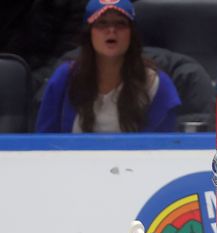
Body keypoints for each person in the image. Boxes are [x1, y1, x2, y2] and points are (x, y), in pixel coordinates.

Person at [35, 0, 181, 133]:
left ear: (132, 34)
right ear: (89, 34)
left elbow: (163, 147)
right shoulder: (65, 78)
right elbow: (44, 143)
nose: (111, 30)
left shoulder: (155, 83)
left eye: (120, 24)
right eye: (102, 23)